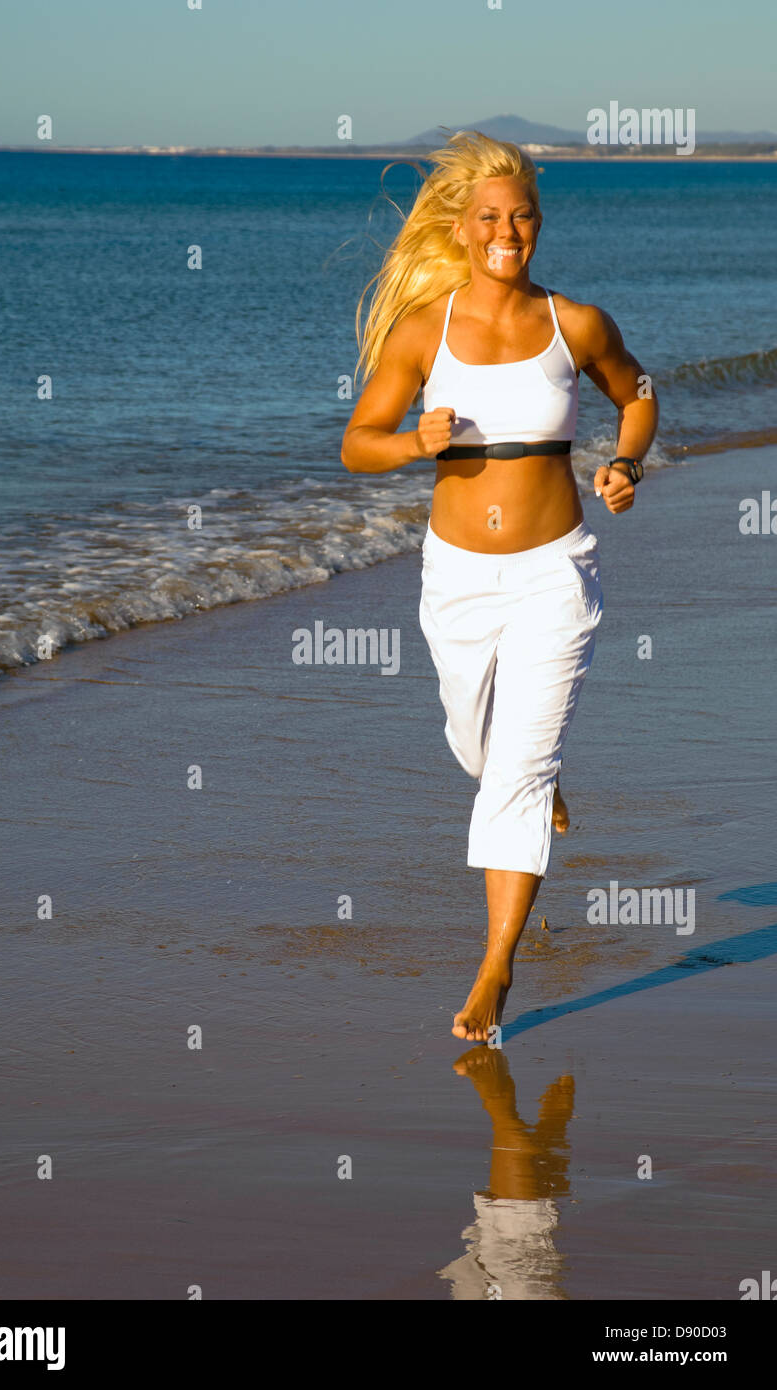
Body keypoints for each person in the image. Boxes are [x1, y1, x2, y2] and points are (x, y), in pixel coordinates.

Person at [341, 132, 658, 1042]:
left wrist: (626, 461)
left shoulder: (575, 323)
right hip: (457, 580)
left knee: (513, 775)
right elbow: (357, 440)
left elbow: (635, 390)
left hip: (554, 570)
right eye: (488, 217)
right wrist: (414, 442)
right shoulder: (423, 331)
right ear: (461, 224)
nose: (505, 231)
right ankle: (536, 777)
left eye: (520, 215)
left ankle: (493, 970)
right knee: (474, 746)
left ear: (537, 222)